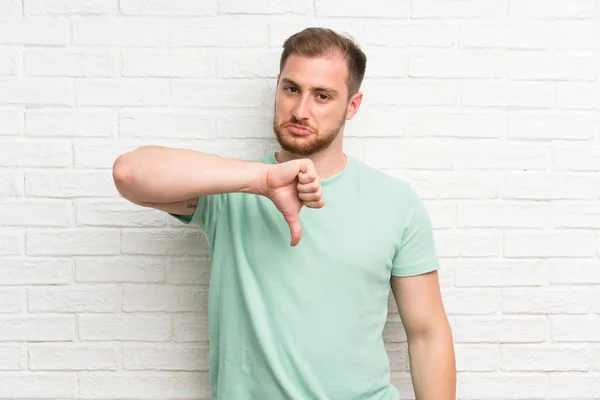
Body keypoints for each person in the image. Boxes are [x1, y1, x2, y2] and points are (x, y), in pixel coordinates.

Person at [113, 27, 456, 400]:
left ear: (352, 106)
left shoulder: (396, 202)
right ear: (277, 86)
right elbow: (129, 174)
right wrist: (261, 180)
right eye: (292, 89)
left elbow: (428, 334)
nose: (300, 110)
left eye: (322, 96)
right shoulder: (233, 190)